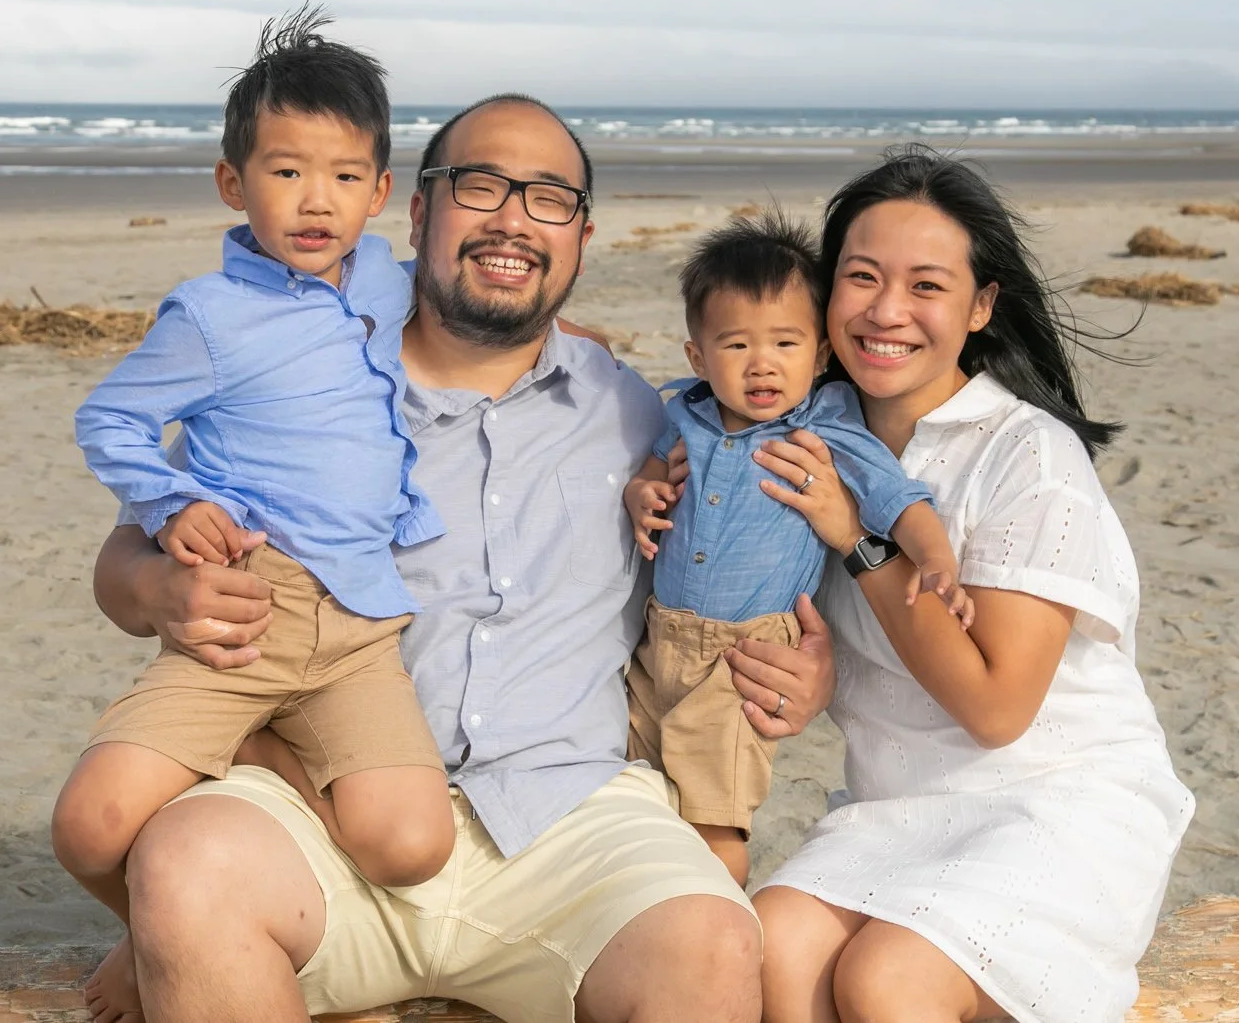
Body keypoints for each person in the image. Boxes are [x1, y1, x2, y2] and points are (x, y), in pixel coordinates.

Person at [84, 95, 836, 1023]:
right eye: (480, 186)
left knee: (714, 943)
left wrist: (806, 665)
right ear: (417, 212)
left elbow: (746, 560)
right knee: (186, 866)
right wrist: (161, 587)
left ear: (582, 236)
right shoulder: (301, 376)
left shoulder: (644, 415)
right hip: (324, 809)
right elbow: (124, 563)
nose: (513, 217)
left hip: (568, 820)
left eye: (549, 197)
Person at [54, 9, 455, 1014]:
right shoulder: (209, 315)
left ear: (379, 192)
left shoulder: (382, 281)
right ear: (233, 183)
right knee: (91, 823)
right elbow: (110, 419)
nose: (314, 199)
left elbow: (481, 316)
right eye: (284, 171)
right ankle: (159, 941)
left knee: (411, 842)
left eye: (342, 175)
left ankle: (259, 758)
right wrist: (169, 497)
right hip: (247, 612)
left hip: (362, 621)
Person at [745, 148, 1194, 1023]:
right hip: (895, 806)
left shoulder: (1027, 451)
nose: (885, 312)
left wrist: (857, 539)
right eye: (861, 277)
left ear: (982, 306)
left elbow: (997, 707)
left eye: (926, 286)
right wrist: (808, 680)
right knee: (770, 943)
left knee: (886, 981)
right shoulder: (806, 433)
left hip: (1054, 799)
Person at [620, 211, 969, 884]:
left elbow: (897, 497)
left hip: (744, 654)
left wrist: (936, 559)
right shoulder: (684, 411)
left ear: (819, 353)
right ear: (697, 355)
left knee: (712, 814)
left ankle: (718, 915)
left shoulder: (825, 430)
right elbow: (655, 469)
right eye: (735, 345)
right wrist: (645, 489)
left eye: (785, 342)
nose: (762, 364)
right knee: (631, 786)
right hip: (656, 639)